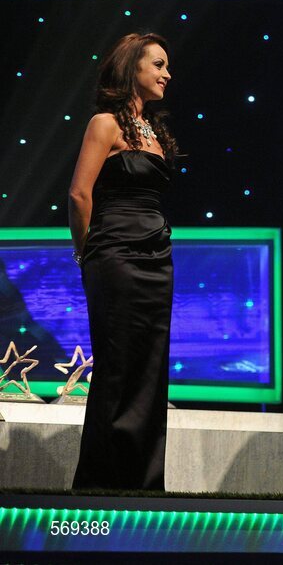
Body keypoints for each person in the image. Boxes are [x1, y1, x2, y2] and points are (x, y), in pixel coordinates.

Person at [68, 33, 177, 490]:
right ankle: (101, 484)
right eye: (158, 64)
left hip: (157, 258)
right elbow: (79, 194)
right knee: (117, 367)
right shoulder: (105, 123)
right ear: (132, 67)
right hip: (115, 255)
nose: (167, 74)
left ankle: (144, 484)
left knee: (150, 368)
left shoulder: (153, 131)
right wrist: (87, 253)